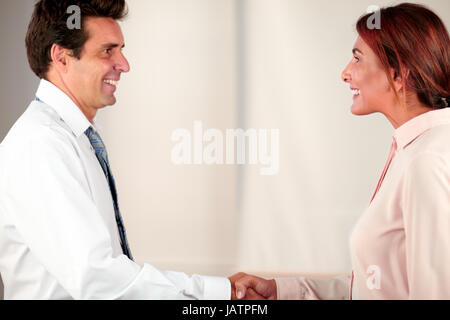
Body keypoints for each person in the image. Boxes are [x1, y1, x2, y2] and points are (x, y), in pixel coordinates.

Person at [0, 0, 258, 300]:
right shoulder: (41, 145)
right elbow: (98, 278)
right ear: (62, 56)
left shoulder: (73, 138)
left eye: (121, 49)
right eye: (107, 50)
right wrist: (219, 295)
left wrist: (221, 290)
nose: (124, 64)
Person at [231, 3, 450, 300]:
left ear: (399, 74)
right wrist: (280, 291)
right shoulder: (412, 150)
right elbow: (375, 286)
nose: (346, 73)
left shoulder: (426, 160)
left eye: (358, 60)